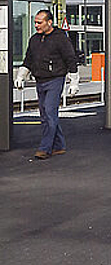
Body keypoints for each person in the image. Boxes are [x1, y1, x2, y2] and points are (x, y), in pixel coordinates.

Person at [14, 9, 80, 159]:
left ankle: (45, 148)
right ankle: (59, 145)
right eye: (35, 22)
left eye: (39, 22)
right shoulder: (34, 39)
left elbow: (70, 58)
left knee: (50, 113)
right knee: (45, 115)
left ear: (49, 22)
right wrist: (21, 75)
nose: (36, 25)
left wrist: (74, 82)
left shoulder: (61, 39)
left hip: (55, 79)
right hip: (40, 80)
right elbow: (28, 59)